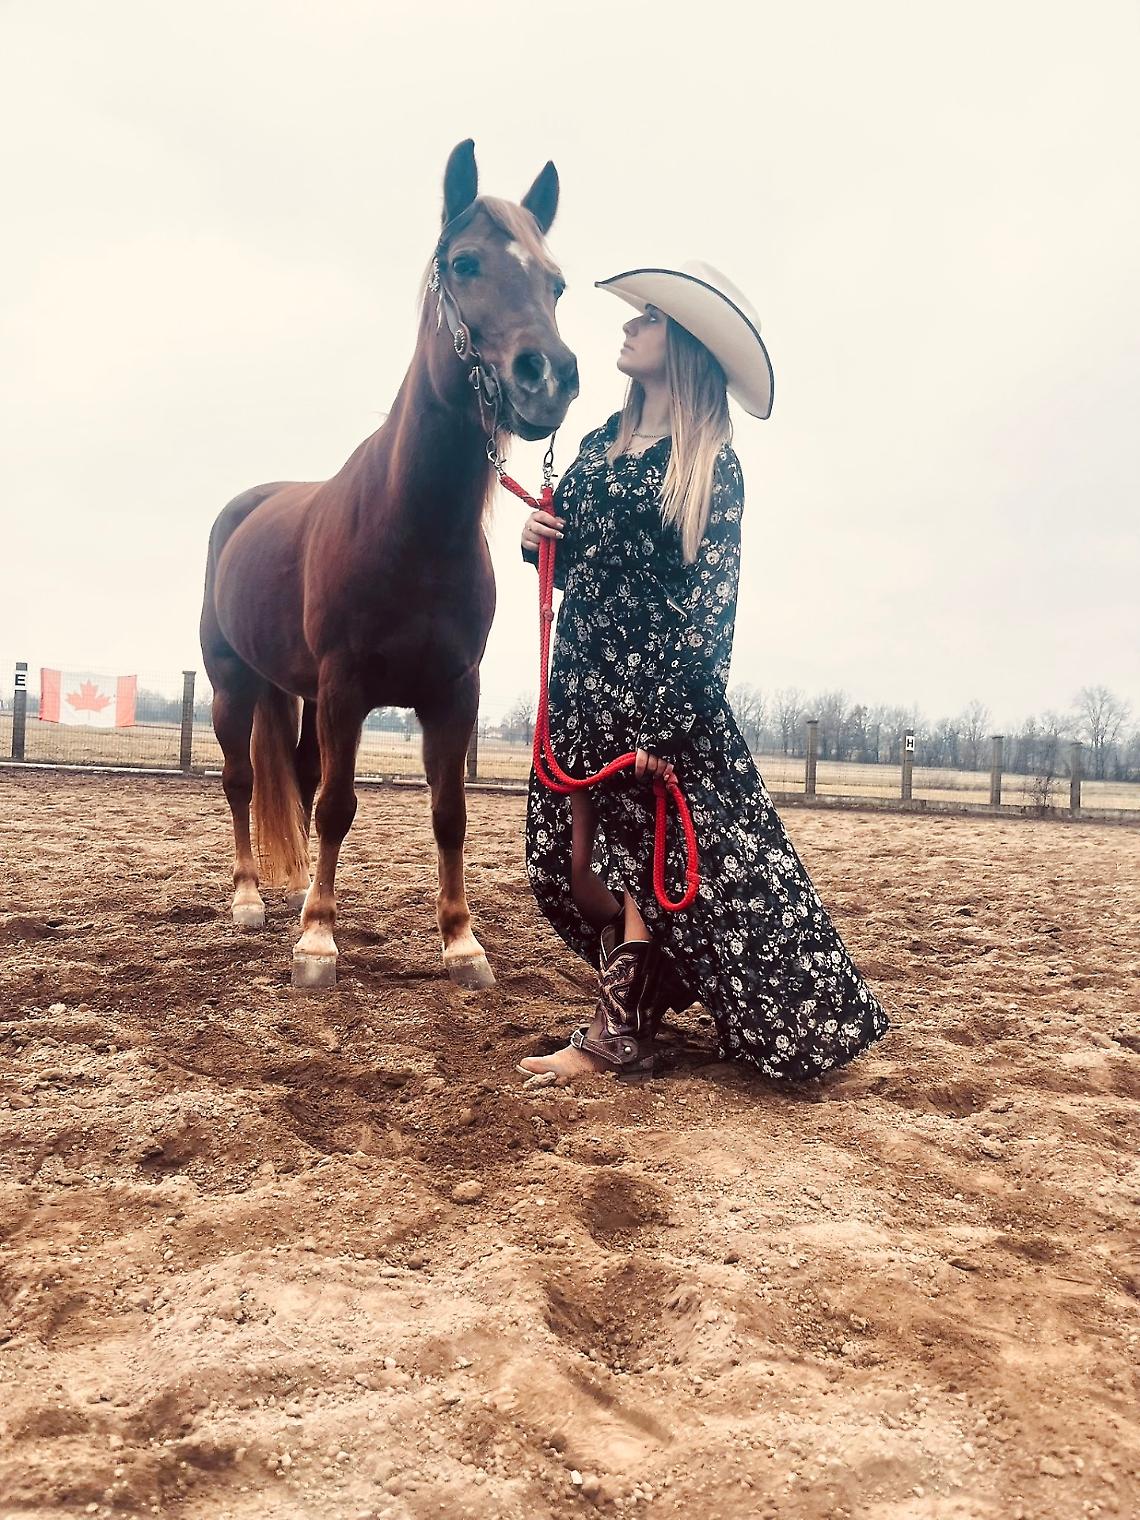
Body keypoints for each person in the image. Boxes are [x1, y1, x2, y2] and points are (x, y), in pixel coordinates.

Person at [516, 261, 888, 1086]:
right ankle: (639, 1012)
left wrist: (664, 728)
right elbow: (579, 564)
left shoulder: (711, 464)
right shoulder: (591, 444)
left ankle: (621, 1033)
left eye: (646, 318)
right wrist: (541, 540)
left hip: (656, 699)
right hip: (579, 682)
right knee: (560, 867)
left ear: (679, 346)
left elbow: (710, 611)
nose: (628, 326)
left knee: (644, 866)